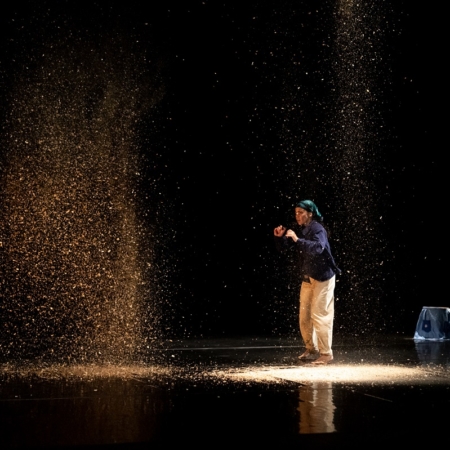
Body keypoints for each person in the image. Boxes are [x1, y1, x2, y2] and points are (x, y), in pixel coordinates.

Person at [274, 199, 340, 365]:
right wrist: (280, 238)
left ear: (310, 213)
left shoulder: (317, 228)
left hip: (323, 277)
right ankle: (312, 349)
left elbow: (318, 248)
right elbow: (286, 247)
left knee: (320, 314)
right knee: (304, 316)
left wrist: (297, 240)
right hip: (308, 277)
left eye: (301, 212)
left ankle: (326, 353)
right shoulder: (299, 228)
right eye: (296, 213)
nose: (297, 216)